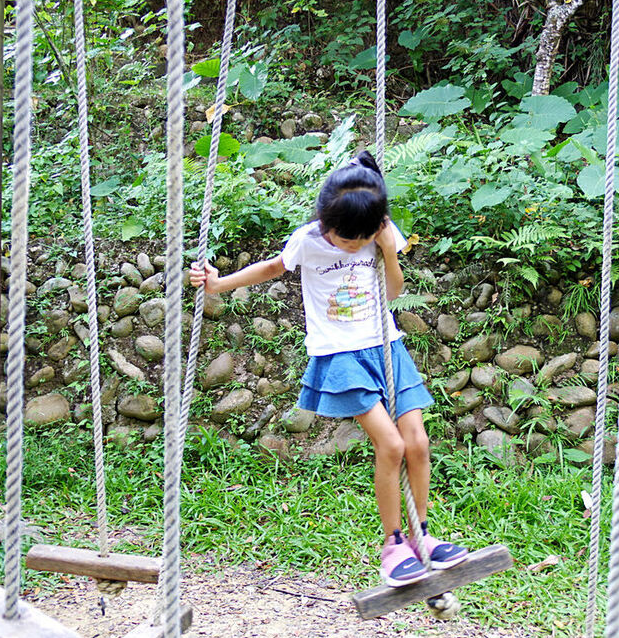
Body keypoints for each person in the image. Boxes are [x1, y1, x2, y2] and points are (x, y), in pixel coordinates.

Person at [189, 150, 469, 587]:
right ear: (324, 220)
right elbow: (272, 267)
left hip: (385, 345)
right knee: (391, 445)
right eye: (346, 239)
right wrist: (219, 283)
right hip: (340, 353)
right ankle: (393, 545)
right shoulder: (308, 239)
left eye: (362, 238)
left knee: (417, 441)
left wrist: (387, 251)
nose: (354, 245)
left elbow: (392, 292)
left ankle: (422, 536)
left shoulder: (378, 232)